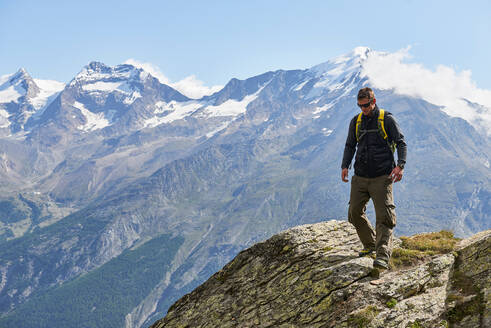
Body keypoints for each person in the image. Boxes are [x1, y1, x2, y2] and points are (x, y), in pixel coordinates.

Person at [341, 87, 407, 270]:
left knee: (384, 217)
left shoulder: (386, 119)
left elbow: (401, 142)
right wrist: (345, 166)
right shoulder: (356, 121)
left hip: (381, 177)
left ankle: (382, 256)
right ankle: (370, 245)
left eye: (367, 105)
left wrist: (400, 166)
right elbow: (350, 145)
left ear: (374, 101)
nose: (364, 109)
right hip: (360, 176)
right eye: (360, 106)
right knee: (354, 213)